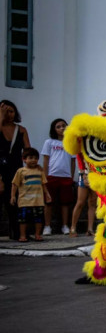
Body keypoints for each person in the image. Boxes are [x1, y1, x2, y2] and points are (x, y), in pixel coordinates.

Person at [0, 100, 31, 241]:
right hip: (1, 168)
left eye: (11, 111)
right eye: (6, 112)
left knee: (16, 201)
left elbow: (28, 150)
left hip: (16, 169)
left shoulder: (21, 130)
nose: (9, 115)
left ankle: (18, 233)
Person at [41, 119, 75, 235]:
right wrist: (45, 176)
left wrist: (71, 176)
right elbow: (46, 160)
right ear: (54, 129)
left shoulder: (71, 143)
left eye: (64, 126)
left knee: (65, 203)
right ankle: (47, 226)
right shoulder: (49, 142)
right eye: (58, 126)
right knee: (48, 202)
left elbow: (73, 161)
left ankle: (65, 226)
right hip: (51, 176)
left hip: (65, 177)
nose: (61, 128)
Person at [10, 147, 51, 242]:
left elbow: (43, 184)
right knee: (23, 220)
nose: (33, 160)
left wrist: (47, 194)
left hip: (38, 201)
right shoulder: (20, 171)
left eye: (36, 158)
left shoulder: (40, 171)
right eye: (30, 158)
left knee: (39, 219)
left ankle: (37, 235)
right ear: (24, 159)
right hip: (24, 201)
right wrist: (12, 196)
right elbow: (15, 184)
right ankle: (23, 236)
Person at [69, 157, 96, 237]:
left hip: (96, 175)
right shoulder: (81, 146)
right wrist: (83, 175)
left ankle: (90, 229)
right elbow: (80, 160)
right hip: (83, 174)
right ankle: (73, 228)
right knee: (80, 202)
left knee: (92, 203)